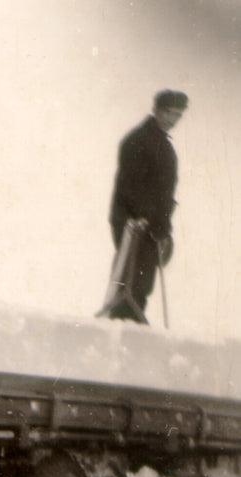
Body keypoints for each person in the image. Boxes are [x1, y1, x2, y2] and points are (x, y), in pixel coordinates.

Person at [104, 89, 187, 323]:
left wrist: (164, 229)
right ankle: (123, 320)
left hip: (152, 226)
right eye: (170, 113)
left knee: (143, 281)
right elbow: (132, 187)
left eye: (178, 116)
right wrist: (150, 221)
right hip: (134, 223)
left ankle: (130, 319)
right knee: (130, 278)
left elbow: (163, 193)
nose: (173, 121)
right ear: (157, 110)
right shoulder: (139, 140)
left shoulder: (163, 145)